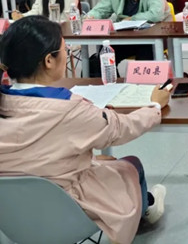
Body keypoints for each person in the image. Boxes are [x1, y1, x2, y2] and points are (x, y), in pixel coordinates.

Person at [0, 16, 172, 243]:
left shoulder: (7, 101)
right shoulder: (69, 109)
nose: (66, 53)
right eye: (64, 49)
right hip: (66, 210)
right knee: (131, 164)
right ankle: (146, 208)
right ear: (49, 61)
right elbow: (121, 128)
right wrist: (155, 106)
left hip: (12, 216)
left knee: (104, 162)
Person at [86, 0, 170, 72]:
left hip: (151, 37)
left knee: (145, 56)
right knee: (104, 55)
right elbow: (101, 9)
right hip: (125, 36)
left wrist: (132, 19)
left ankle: (142, 82)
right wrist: (90, 17)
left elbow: (156, 15)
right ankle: (113, 81)